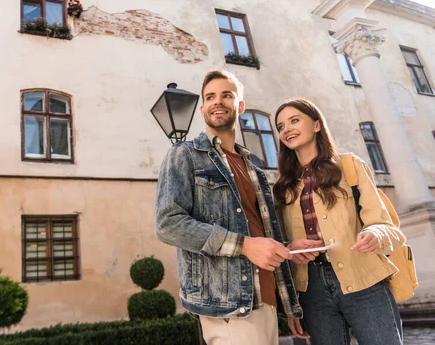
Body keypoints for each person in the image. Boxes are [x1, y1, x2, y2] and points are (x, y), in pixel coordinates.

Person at [155, 69, 302, 345]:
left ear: (240, 106)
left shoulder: (254, 169)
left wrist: (287, 297)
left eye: (226, 95)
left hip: (266, 300)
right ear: (202, 109)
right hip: (228, 305)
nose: (217, 101)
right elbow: (168, 224)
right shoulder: (184, 155)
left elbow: (262, 233)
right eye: (210, 97)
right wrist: (244, 246)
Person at [273, 98, 406, 344]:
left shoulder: (349, 166)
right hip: (310, 292)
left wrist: (375, 233)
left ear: (316, 125)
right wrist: (291, 303)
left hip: (363, 279)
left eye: (294, 120)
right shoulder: (283, 187)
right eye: (281, 126)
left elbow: (384, 224)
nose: (286, 129)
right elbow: (280, 244)